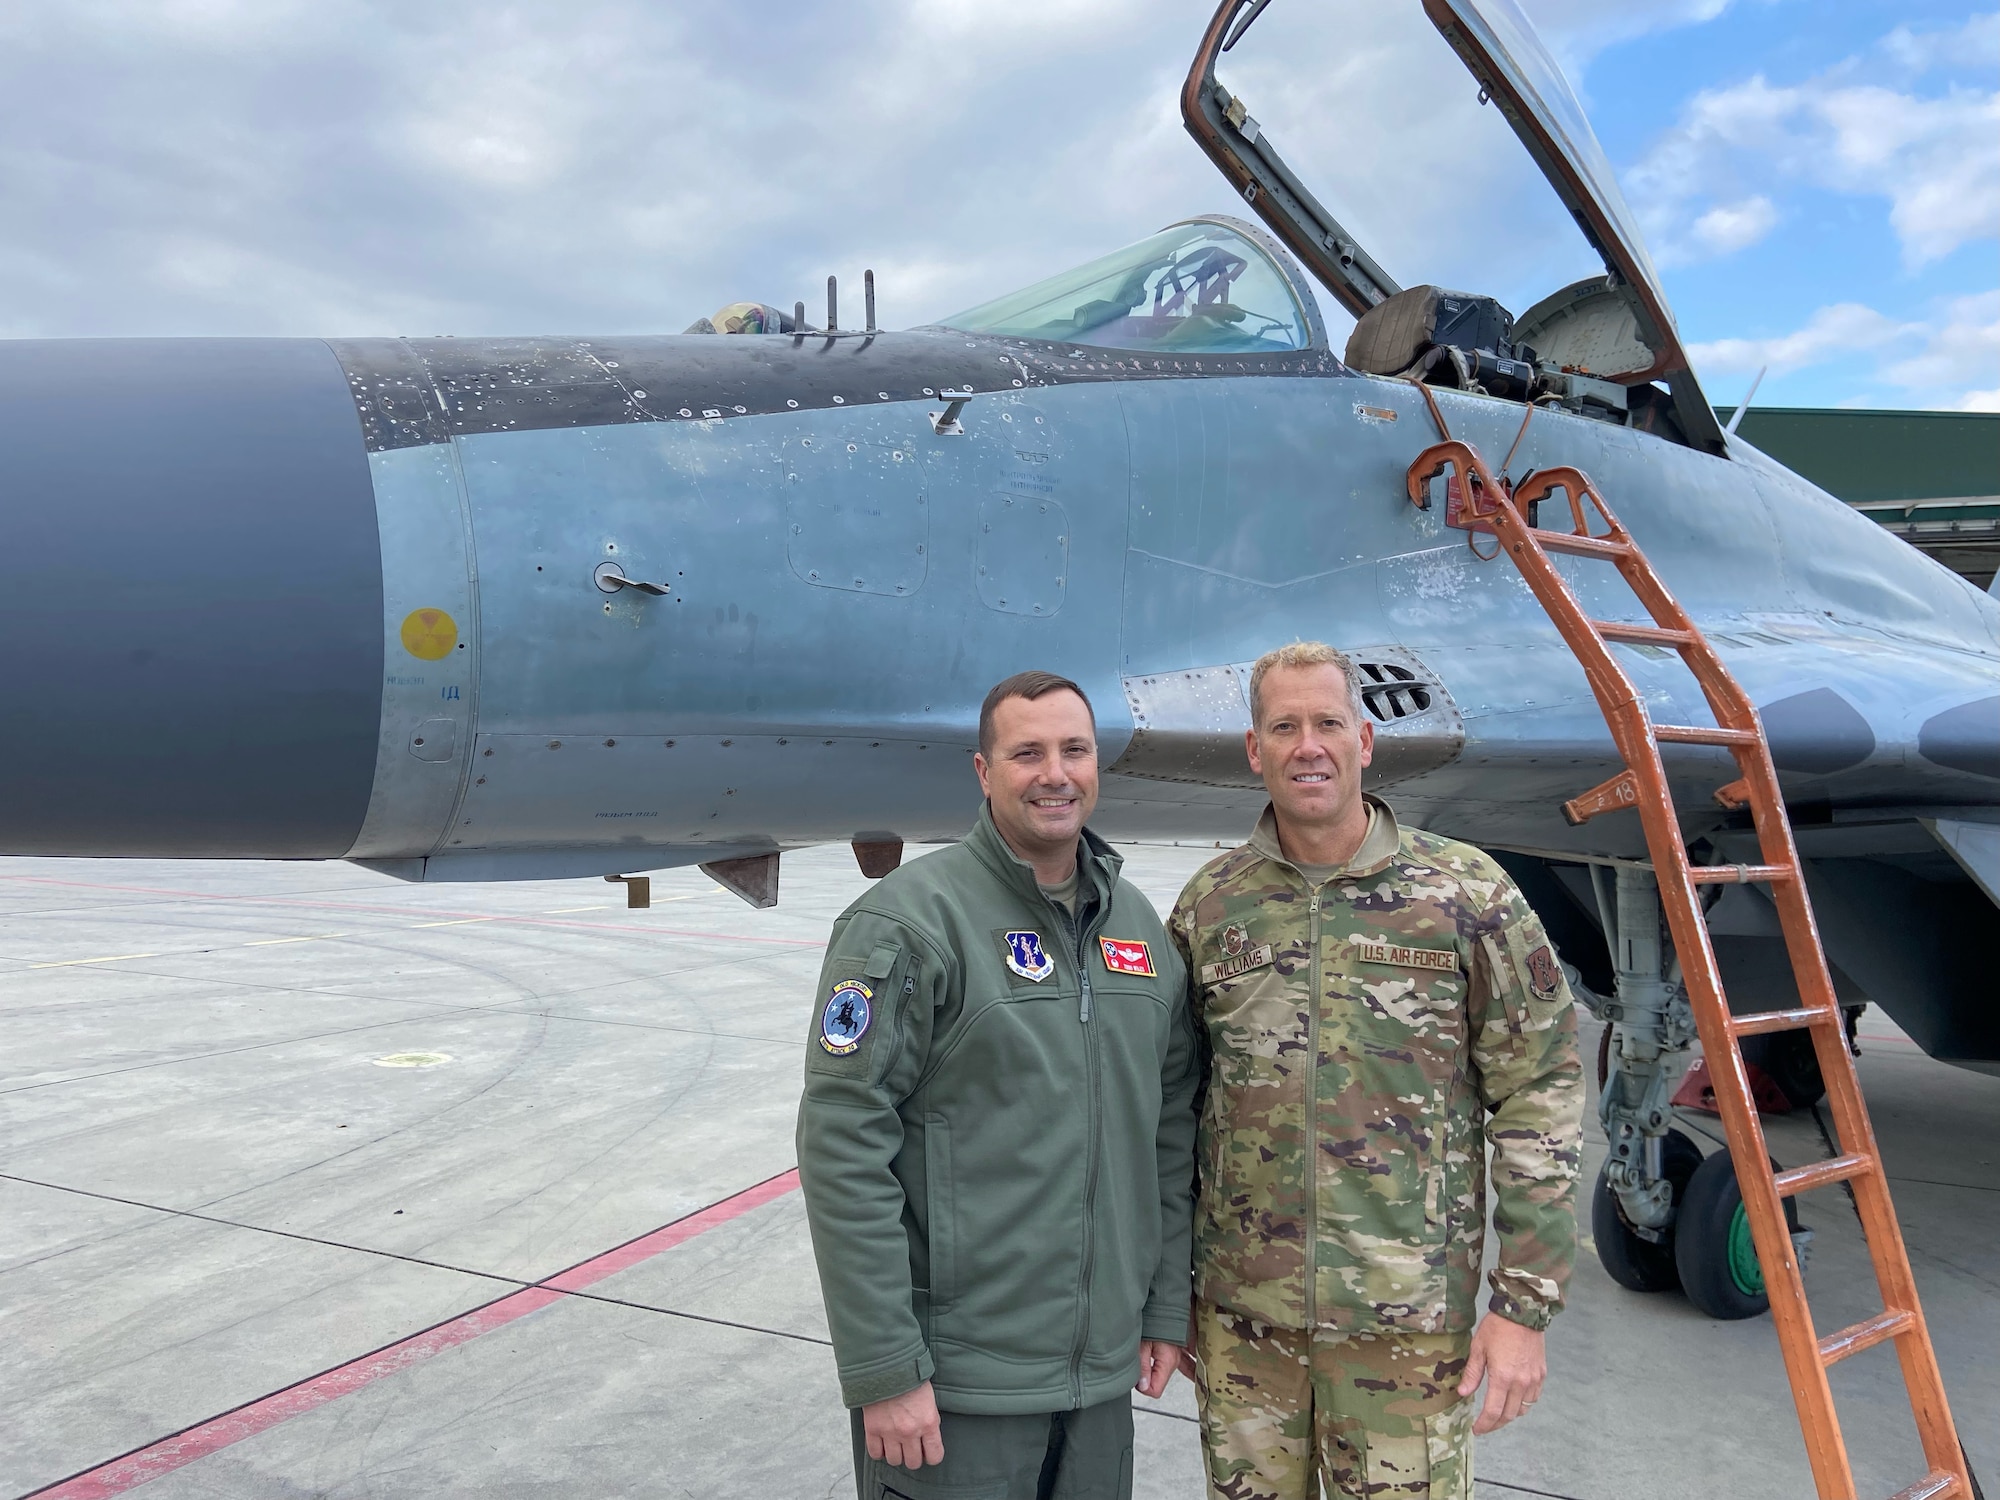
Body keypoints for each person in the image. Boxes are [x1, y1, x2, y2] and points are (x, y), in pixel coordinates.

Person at [1170, 641, 1584, 1500]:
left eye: (1327, 723)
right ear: (1257, 750)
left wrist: (1524, 1307)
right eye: (1284, 726)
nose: (1307, 745)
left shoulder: (1465, 895)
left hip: (1407, 1333)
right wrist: (1164, 1294)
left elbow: (1537, 1092)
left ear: (1366, 739)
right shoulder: (1213, 905)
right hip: (1244, 1329)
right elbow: (1176, 1108)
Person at [798, 670, 1202, 1500]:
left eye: (1074, 750)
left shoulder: (1138, 929)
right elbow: (842, 1142)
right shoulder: (912, 922)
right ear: (985, 772)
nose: (1054, 773)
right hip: (954, 1393)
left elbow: (1167, 1132)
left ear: (1097, 766)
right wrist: (884, 1369)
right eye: (1028, 753)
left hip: (1097, 1392)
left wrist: (1163, 1308)